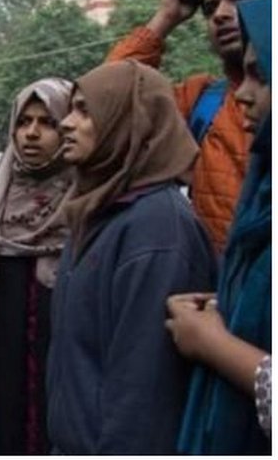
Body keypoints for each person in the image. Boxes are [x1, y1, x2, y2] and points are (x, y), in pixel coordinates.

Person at [45, 60, 216, 454]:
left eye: (85, 110)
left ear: (128, 123)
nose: (66, 123)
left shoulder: (157, 228)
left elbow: (144, 396)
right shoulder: (96, 212)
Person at [106, 0, 271, 252]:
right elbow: (108, 97)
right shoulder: (203, 100)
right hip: (225, 277)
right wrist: (165, 18)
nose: (221, 14)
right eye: (210, 8)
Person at [168, 0, 272, 454]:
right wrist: (226, 305)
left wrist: (212, 344)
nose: (242, 94)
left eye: (260, 74)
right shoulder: (262, 193)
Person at [0, 78, 74, 455]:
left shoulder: (85, 207)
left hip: (64, 386)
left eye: (48, 122)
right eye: (23, 122)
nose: (31, 133)